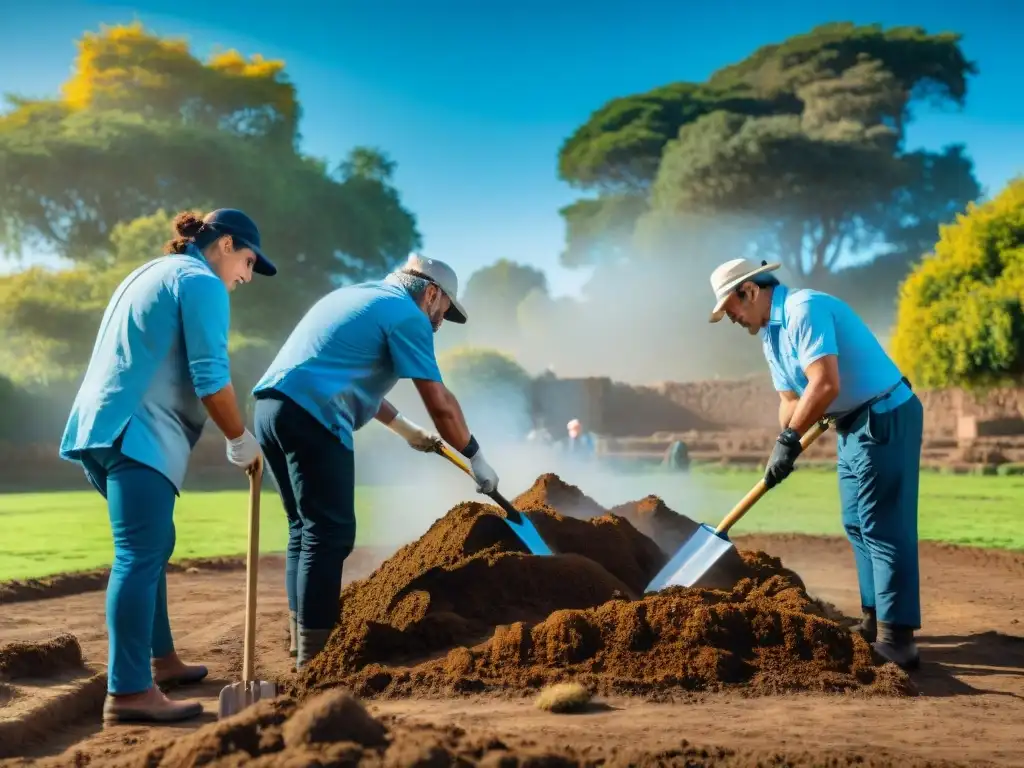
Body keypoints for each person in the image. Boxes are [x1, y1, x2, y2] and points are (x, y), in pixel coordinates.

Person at [59, 209, 275, 723]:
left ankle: (161, 660)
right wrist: (240, 437)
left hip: (100, 426)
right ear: (225, 245)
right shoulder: (202, 283)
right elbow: (210, 377)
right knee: (139, 552)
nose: (245, 276)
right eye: (247, 261)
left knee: (155, 543)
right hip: (138, 430)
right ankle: (130, 692)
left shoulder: (150, 272)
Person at [252, 252, 500, 670]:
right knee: (330, 533)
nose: (440, 320)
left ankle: (301, 640)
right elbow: (440, 402)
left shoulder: (359, 297)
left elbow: (347, 376)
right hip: (313, 414)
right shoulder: (409, 316)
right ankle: (317, 660)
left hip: (271, 410)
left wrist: (403, 428)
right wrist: (475, 456)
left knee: (305, 529)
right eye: (443, 310)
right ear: (431, 293)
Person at [707, 257, 923, 670]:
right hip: (850, 423)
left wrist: (791, 440)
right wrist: (781, 448)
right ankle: (874, 620)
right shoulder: (770, 334)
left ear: (749, 291)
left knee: (882, 525)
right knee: (856, 521)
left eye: (730, 307)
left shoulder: (804, 310)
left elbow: (825, 382)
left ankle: (899, 641)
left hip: (885, 414)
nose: (730, 317)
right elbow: (790, 400)